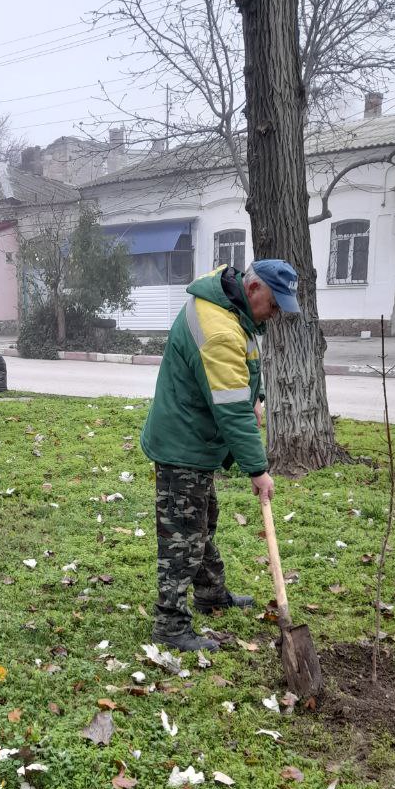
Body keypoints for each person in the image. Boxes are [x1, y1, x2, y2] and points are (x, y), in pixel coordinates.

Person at [140, 258, 300, 651]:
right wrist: (258, 469)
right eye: (275, 304)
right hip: (183, 442)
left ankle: (211, 593)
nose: (275, 314)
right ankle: (171, 625)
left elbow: (241, 370)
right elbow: (230, 409)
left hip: (194, 436)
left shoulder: (229, 305)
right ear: (254, 289)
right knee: (183, 535)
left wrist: (257, 396)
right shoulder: (219, 327)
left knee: (203, 519)